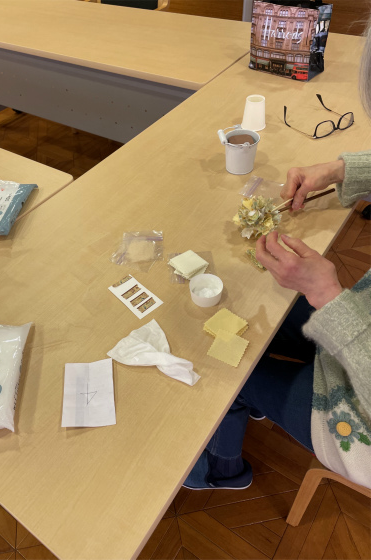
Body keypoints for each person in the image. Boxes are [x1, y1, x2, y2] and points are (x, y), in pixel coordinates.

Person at [184, 31, 371, 492]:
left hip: (360, 422)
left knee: (224, 371)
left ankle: (221, 471)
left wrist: (326, 294)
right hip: (360, 324)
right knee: (248, 315)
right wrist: (342, 170)